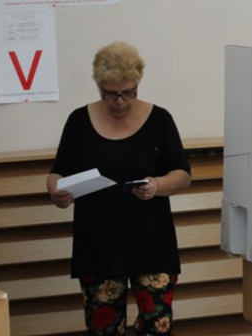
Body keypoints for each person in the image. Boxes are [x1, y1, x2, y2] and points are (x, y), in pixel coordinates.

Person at [47, 41, 191, 336]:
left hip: (152, 241)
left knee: (157, 327)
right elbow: (57, 172)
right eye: (110, 94)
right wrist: (56, 191)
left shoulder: (160, 119)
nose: (120, 101)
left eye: (128, 92)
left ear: (138, 83)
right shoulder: (78, 121)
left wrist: (157, 185)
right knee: (104, 329)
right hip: (99, 243)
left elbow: (183, 174)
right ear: (98, 86)